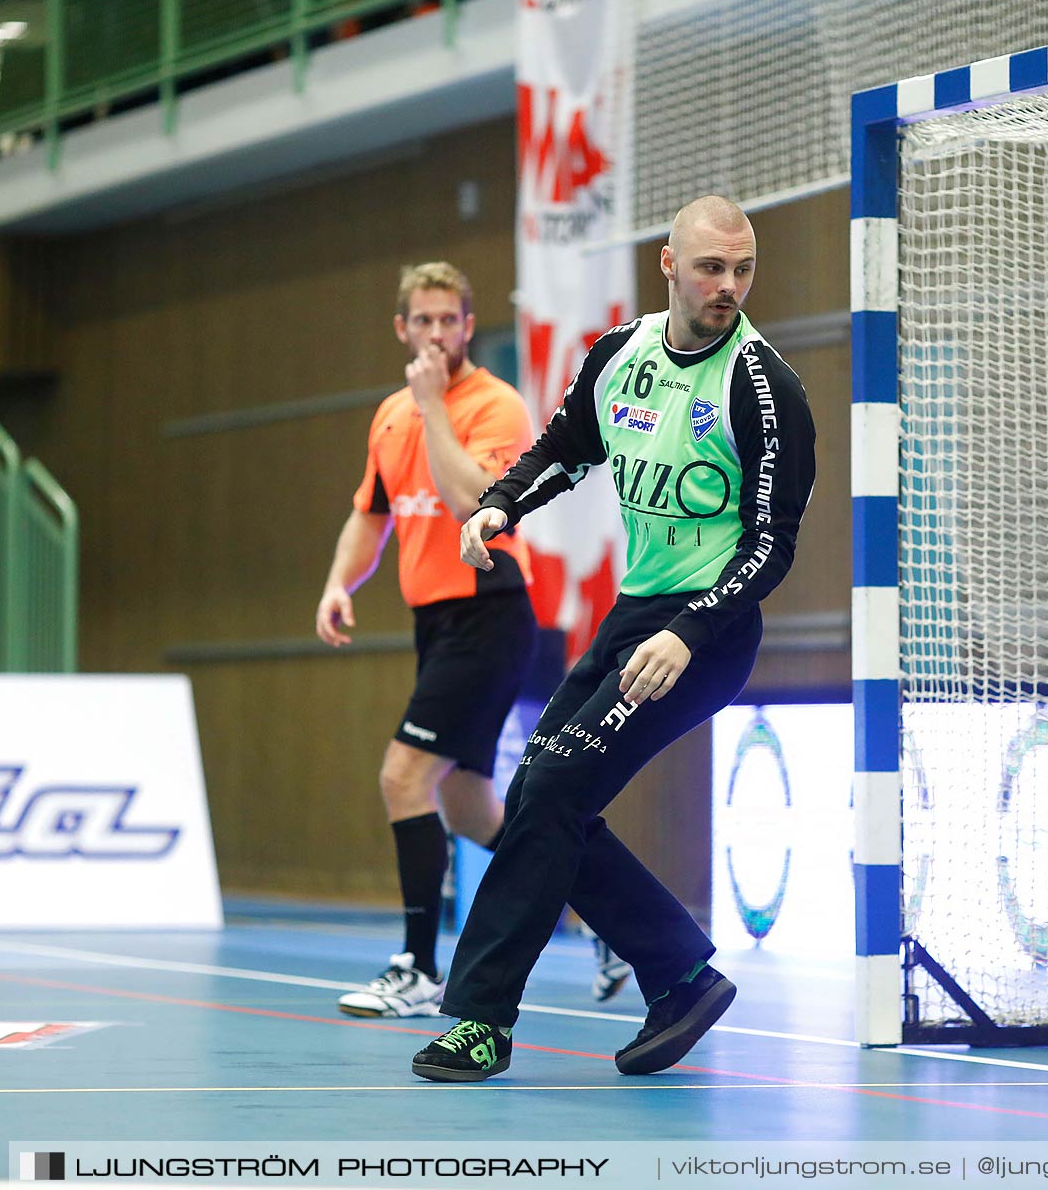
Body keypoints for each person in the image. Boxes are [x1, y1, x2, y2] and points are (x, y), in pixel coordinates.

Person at [410, 197, 817, 1081]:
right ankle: (678, 973)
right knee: (539, 798)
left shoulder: (763, 386)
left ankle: (480, 1022)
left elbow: (771, 542)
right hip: (634, 613)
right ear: (668, 265)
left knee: (550, 787)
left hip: (706, 631)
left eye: (743, 270)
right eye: (711, 268)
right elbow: (567, 445)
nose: (729, 286)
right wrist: (499, 507)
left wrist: (690, 631)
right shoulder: (621, 356)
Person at [318, 262, 629, 1018]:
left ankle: (418, 968)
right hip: (435, 621)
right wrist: (337, 584)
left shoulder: (494, 406)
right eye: (421, 321)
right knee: (467, 808)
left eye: (448, 321)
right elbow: (372, 513)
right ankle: (607, 918)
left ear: (467, 325)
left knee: (402, 777)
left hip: (488, 610)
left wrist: (432, 410)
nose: (434, 333)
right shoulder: (390, 415)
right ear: (402, 328)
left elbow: (470, 501)